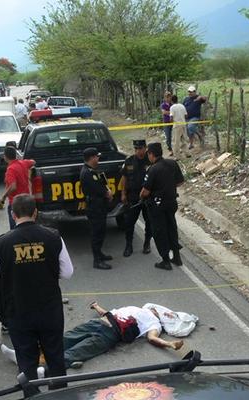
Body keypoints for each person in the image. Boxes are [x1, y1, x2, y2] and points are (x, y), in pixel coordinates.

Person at [0, 194, 73, 396]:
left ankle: (32, 396)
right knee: (55, 357)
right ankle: (60, 395)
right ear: (35, 213)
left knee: (26, 361)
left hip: (19, 312)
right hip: (49, 310)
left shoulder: (1, 244)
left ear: (13, 214)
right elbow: (67, 272)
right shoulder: (53, 237)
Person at [60, 301, 183, 370]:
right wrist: (97, 306)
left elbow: (152, 338)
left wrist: (169, 344)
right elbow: (107, 313)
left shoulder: (155, 324)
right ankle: (44, 353)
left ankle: (44, 370)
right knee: (67, 338)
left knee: (77, 351)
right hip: (103, 322)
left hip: (112, 333)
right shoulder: (135, 307)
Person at [140, 143, 184, 271]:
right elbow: (180, 181)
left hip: (157, 206)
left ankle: (165, 261)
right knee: (172, 228)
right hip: (171, 203)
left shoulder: (152, 169)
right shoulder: (172, 164)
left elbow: (146, 191)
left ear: (151, 154)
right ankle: (177, 257)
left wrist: (141, 196)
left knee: (160, 232)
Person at [80, 147, 113, 270]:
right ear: (92, 158)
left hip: (100, 206)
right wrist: (107, 193)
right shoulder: (87, 173)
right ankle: (97, 260)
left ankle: (100, 253)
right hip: (94, 207)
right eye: (96, 156)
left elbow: (101, 183)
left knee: (101, 231)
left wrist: (107, 191)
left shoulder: (93, 170)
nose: (98, 158)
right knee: (96, 233)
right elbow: (97, 189)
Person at [120, 139, 152, 257]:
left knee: (149, 222)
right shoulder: (129, 161)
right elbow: (124, 178)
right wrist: (123, 193)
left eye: (140, 148)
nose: (138, 151)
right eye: (136, 149)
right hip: (133, 197)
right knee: (129, 223)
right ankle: (129, 245)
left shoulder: (150, 160)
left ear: (145, 148)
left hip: (147, 197)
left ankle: (147, 243)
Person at [1, 146, 35, 230]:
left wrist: (3, 196)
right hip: (27, 201)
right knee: (28, 226)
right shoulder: (23, 163)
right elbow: (33, 162)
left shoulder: (10, 169)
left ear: (5, 157)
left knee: (16, 228)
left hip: (16, 203)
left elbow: (13, 187)